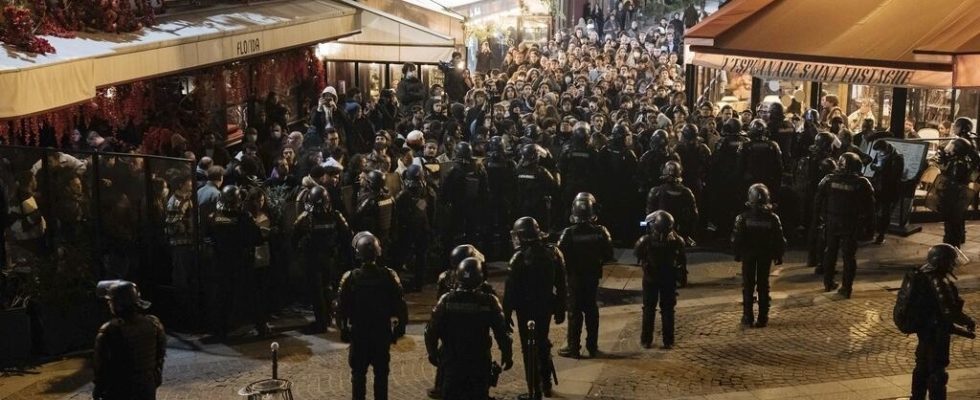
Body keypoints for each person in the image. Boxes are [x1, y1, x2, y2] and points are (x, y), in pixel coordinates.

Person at [425, 257, 514, 400]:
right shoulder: (489, 301)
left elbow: (431, 331)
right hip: (478, 362)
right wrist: (507, 355)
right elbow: (502, 332)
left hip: (452, 362)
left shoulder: (446, 300)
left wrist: (433, 354)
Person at [336, 231, 408, 400]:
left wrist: (344, 330)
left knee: (358, 376)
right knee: (381, 376)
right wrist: (399, 329)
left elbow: (340, 308)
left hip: (359, 334)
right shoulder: (389, 276)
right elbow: (400, 305)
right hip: (381, 333)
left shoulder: (350, 278)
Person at [503, 216, 567, 397]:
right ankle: (546, 383)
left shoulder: (518, 259)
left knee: (528, 347)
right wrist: (561, 307)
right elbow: (562, 285)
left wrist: (506, 315)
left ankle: (534, 389)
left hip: (525, 309)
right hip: (545, 307)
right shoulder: (553, 253)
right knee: (542, 341)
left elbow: (510, 292)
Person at [908, 244, 976, 400]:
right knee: (937, 370)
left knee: (922, 365)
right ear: (941, 261)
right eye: (951, 261)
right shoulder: (939, 280)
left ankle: (916, 397)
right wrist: (967, 321)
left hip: (924, 329)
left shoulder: (922, 273)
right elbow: (949, 310)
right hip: (936, 331)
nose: (953, 265)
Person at [557, 195, 613, 359]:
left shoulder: (568, 233)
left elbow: (559, 256)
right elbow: (609, 254)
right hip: (592, 276)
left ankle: (573, 347)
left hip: (574, 277)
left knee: (574, 311)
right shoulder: (601, 232)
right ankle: (592, 345)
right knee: (591, 310)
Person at [206, 185, 265, 340]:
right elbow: (258, 238)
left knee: (221, 298)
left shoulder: (214, 217)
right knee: (253, 296)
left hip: (221, 264)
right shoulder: (244, 218)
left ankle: (220, 330)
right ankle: (261, 327)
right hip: (242, 263)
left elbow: (208, 238)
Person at [814, 153, 875, 298]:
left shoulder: (828, 179)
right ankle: (846, 288)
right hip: (850, 222)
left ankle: (828, 283)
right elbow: (870, 208)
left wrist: (818, 219)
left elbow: (817, 201)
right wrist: (870, 228)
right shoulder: (862, 183)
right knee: (849, 256)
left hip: (832, 220)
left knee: (830, 251)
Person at [93, 280, 166, 400]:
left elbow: (101, 365)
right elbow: (160, 355)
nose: (109, 304)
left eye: (110, 301)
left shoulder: (110, 330)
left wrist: (99, 388)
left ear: (117, 304)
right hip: (146, 386)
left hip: (120, 389)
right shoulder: (153, 324)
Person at [294, 185, 352, 333]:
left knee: (316, 291)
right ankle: (328, 316)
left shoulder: (306, 217)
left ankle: (321, 322)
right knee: (327, 287)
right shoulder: (335, 215)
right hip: (330, 258)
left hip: (312, 259)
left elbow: (293, 236)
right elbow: (347, 235)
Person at [731, 184, 785, 328]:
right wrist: (778, 255)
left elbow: (737, 238)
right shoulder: (773, 218)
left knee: (748, 285)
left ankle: (748, 316)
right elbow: (779, 239)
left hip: (749, 255)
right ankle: (763, 317)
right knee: (763, 284)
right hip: (765, 255)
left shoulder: (743, 218)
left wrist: (737, 253)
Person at [635, 210, 685, 349]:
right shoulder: (677, 241)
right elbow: (681, 259)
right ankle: (668, 340)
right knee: (668, 310)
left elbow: (637, 253)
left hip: (650, 278)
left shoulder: (646, 240)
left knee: (649, 309)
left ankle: (646, 340)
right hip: (668, 279)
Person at [646, 161, 698, 286]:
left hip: (660, 229)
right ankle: (680, 273)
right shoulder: (686, 192)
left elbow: (648, 216)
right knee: (679, 251)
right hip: (679, 229)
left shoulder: (655, 191)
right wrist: (689, 231)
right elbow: (694, 215)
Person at [394, 164, 435, 292]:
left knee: (403, 255)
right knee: (419, 255)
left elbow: (397, 214)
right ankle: (418, 283)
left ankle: (398, 283)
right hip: (420, 227)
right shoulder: (426, 190)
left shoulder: (404, 194)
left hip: (410, 229)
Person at [935, 138, 979, 248]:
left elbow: (952, 180)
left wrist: (943, 165)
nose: (949, 149)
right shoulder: (965, 160)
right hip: (959, 195)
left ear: (958, 149)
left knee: (951, 223)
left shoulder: (958, 163)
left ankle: (949, 247)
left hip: (953, 196)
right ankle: (954, 244)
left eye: (952, 147)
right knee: (956, 222)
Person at [868, 140, 905, 244]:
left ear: (886, 148)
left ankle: (881, 234)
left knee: (885, 211)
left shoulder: (897, 157)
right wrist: (875, 167)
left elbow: (895, 175)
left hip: (888, 188)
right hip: (877, 185)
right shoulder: (880, 154)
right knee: (874, 208)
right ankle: (872, 230)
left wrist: (881, 169)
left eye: (881, 151)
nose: (880, 154)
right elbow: (872, 165)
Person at [737, 119, 783, 202]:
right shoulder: (773, 145)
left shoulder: (745, 146)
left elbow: (740, 167)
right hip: (768, 181)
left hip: (750, 181)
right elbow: (779, 168)